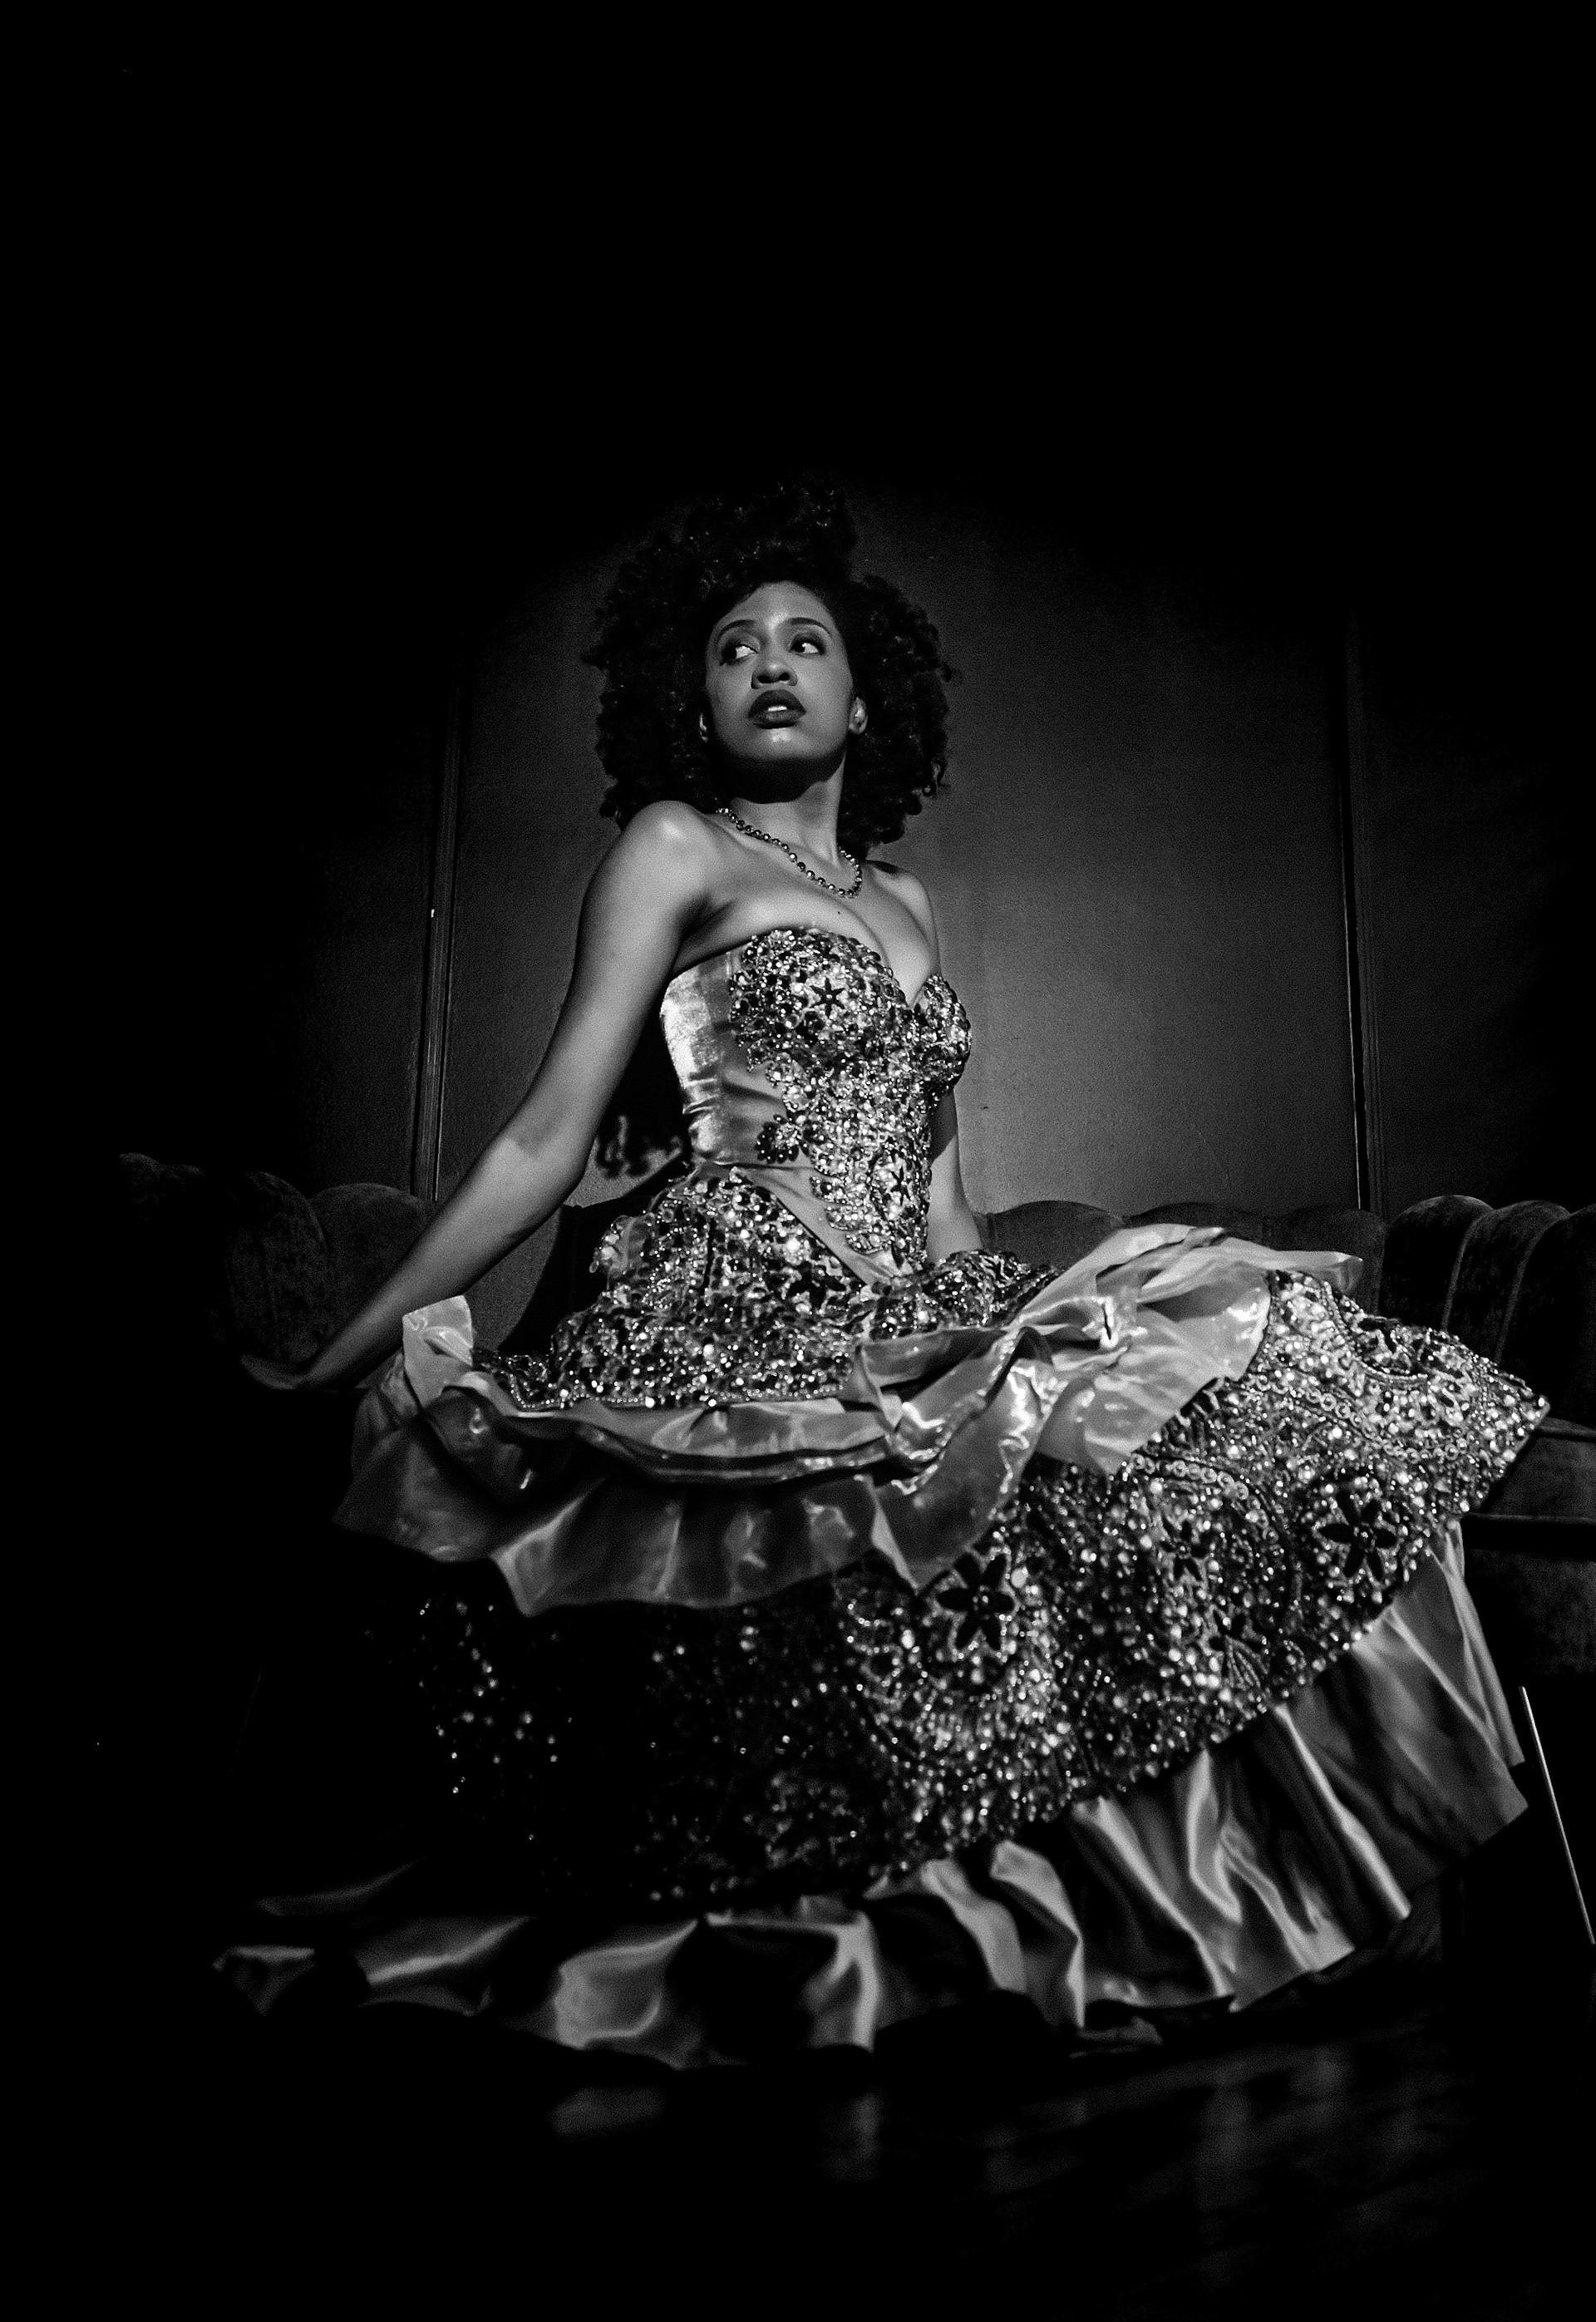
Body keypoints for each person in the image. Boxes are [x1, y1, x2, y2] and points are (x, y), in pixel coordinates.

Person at [229, 481, 1537, 2063]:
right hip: (724, 1297)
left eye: (806, 641)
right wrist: (337, 1351)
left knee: (1225, 1417)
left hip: (894, 1306)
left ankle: (1204, 1915)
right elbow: (545, 1141)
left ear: (868, 699)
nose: (770, 664)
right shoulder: (673, 847)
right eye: (731, 648)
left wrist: (1035, 1349)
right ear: (692, 700)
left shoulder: (908, 904)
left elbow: (947, 1214)